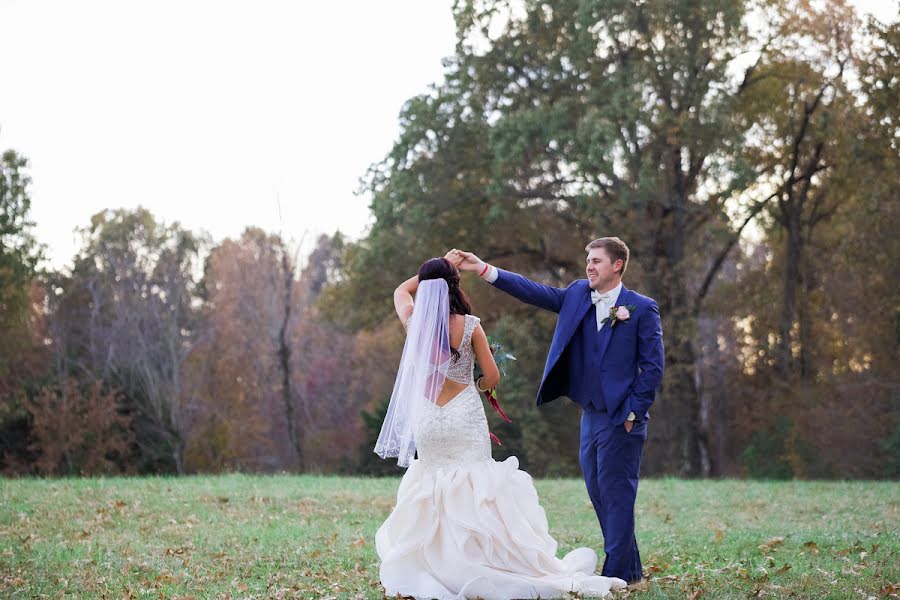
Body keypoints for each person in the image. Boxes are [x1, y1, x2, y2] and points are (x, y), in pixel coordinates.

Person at [374, 255, 627, 599]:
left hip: (429, 415)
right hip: (463, 412)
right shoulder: (470, 325)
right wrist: (477, 386)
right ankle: (481, 558)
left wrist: (430, 274)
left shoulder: (414, 320)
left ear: (426, 289)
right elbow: (491, 375)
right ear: (455, 286)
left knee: (434, 479)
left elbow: (401, 290)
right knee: (475, 481)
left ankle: (435, 562)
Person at [452, 238, 664, 585]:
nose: (589, 266)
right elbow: (533, 291)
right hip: (590, 414)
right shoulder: (578, 295)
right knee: (600, 493)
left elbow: (653, 368)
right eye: (588, 261)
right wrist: (485, 270)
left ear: (617, 266)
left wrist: (632, 413)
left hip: (621, 418)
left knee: (618, 495)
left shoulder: (641, 308)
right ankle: (632, 571)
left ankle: (616, 576)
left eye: (597, 261)